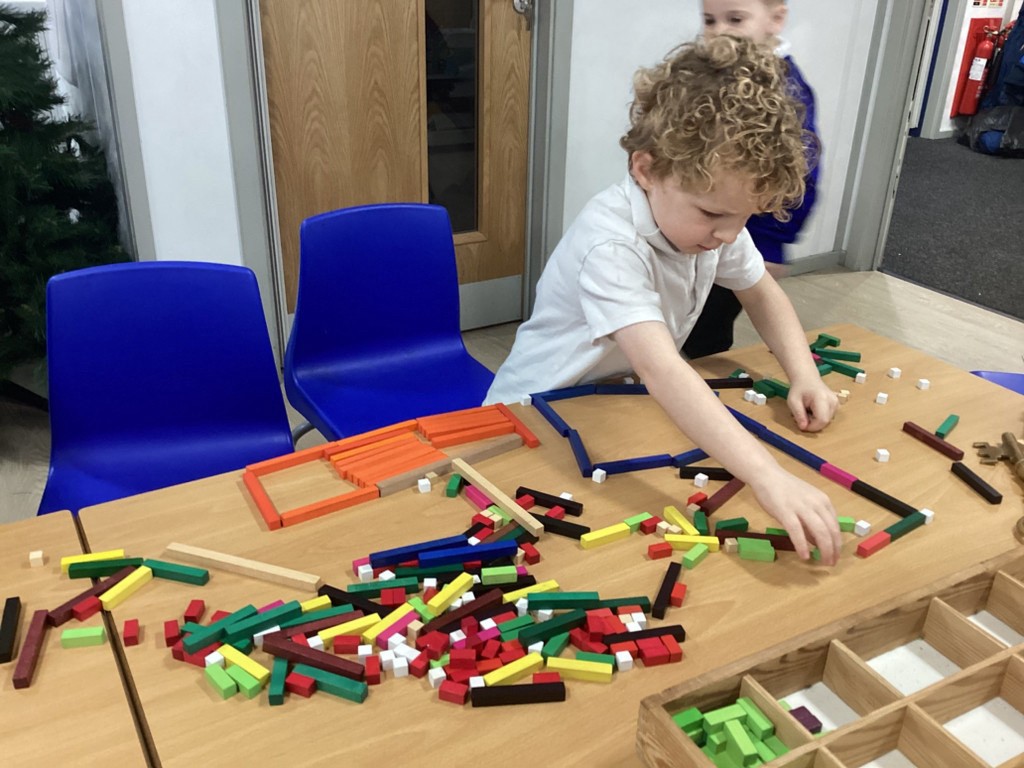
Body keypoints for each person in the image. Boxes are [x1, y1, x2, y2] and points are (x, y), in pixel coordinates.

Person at [484, 35, 842, 564]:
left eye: (744, 217)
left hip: (609, 405)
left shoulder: (712, 217)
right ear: (646, 170)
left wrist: (804, 374)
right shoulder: (611, 244)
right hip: (532, 414)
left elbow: (761, 291)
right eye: (713, 215)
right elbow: (662, 368)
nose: (729, 234)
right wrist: (767, 476)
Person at [683, 0, 821, 359]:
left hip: (747, 236)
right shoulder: (713, 73)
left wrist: (771, 242)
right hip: (697, 229)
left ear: (775, 18)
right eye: (709, 20)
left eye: (735, 19)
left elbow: (799, 173)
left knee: (707, 331)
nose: (719, 31)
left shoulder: (786, 89)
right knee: (681, 315)